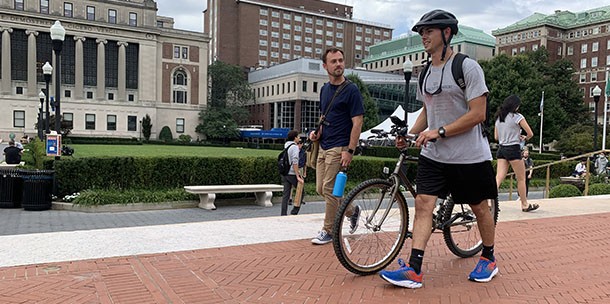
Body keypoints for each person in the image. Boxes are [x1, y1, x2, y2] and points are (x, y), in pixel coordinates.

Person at [379, 9, 498, 288]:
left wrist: (440, 132)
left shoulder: (467, 67)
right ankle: (415, 269)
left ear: (446, 33)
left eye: (429, 31)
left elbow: (478, 113)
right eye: (421, 31)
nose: (423, 36)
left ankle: (489, 258)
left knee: (479, 207)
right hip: (434, 156)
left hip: (469, 156)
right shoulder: (425, 73)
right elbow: (427, 111)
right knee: (423, 205)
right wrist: (411, 134)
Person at [309, 47, 364, 245]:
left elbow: (357, 121)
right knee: (320, 189)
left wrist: (349, 150)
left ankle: (329, 230)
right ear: (325, 66)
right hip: (323, 145)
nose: (339, 64)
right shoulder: (324, 90)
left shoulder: (351, 90)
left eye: (341, 60)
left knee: (330, 189)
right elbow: (324, 117)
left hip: (339, 146)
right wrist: (316, 133)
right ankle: (352, 210)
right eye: (334, 61)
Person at [494, 95, 538, 212]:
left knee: (499, 177)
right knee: (521, 178)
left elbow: (496, 137)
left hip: (501, 149)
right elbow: (530, 133)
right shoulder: (517, 117)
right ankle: (524, 204)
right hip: (513, 149)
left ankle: (490, 201)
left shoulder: (499, 118)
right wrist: (524, 137)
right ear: (515, 106)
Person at [280, 130, 303, 216]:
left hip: (285, 172)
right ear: (295, 138)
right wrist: (298, 176)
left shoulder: (286, 145)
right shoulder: (294, 147)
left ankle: (283, 213)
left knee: (286, 194)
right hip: (292, 173)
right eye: (298, 137)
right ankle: (294, 212)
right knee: (301, 192)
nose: (299, 138)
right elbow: (295, 162)